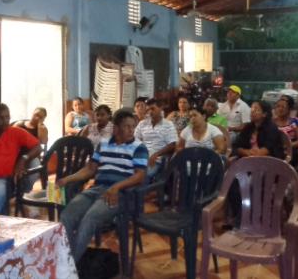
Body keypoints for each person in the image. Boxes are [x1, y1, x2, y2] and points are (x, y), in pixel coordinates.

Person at [59, 109, 148, 264]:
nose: (131, 130)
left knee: (89, 219)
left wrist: (117, 187)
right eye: (126, 126)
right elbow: (90, 169)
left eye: (132, 126)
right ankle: (64, 259)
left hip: (119, 194)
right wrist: (67, 179)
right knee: (66, 216)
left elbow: (140, 175)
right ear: (116, 128)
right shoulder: (104, 144)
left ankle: (68, 266)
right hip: (96, 189)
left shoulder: (139, 147)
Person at [0, 104, 41, 215]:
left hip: (0, 179)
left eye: (7, 117)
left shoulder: (16, 132)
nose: (5, 121)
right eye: (1, 118)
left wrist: (23, 159)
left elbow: (37, 147)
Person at [134, 98, 178, 179]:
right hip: (141, 157)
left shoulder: (168, 124)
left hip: (157, 160)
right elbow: (134, 140)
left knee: (142, 176)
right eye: (148, 110)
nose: (150, 112)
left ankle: (140, 191)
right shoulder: (143, 123)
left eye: (153, 109)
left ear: (160, 108)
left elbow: (172, 144)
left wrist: (156, 154)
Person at [12, 107, 49, 195]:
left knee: (35, 166)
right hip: (16, 153)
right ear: (32, 113)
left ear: (43, 119)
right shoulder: (20, 124)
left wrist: (40, 129)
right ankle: (13, 190)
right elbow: (10, 136)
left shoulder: (43, 128)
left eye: (40, 117)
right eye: (36, 115)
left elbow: (43, 142)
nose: (37, 118)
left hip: (33, 155)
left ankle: (25, 191)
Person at [272, 95, 298, 166]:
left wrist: (288, 145)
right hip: (275, 149)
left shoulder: (295, 121)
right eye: (278, 106)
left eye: (283, 107)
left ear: (289, 109)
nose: (280, 109)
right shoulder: (271, 122)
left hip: (290, 149)